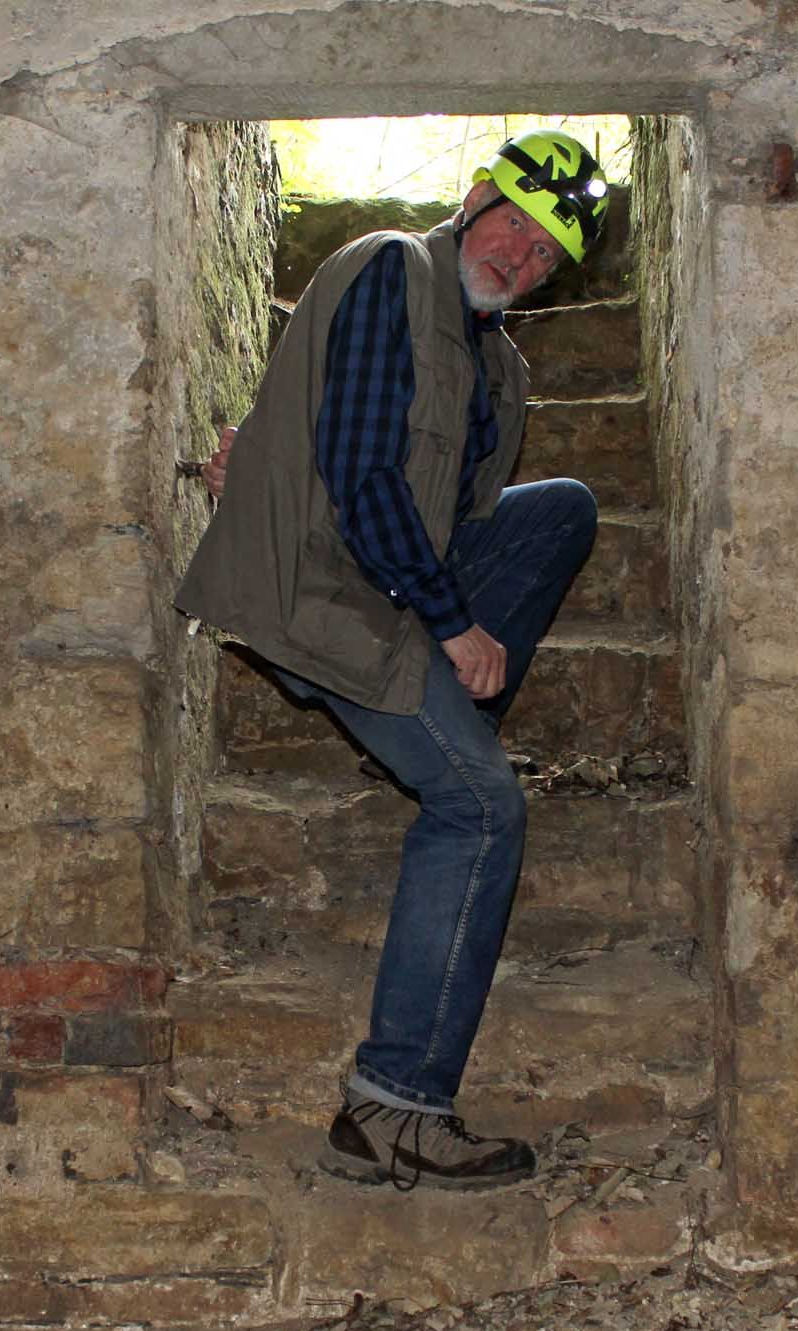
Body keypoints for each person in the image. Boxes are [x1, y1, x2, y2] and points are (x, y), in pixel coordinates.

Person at [175, 129, 610, 1191]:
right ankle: (393, 1108)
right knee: (481, 807)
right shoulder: (391, 269)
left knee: (560, 508)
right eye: (516, 225)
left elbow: (442, 510)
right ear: (475, 195)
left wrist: (449, 619)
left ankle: (442, 723)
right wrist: (455, 628)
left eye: (545, 255)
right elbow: (366, 474)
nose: (521, 257)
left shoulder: (498, 367)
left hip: (391, 589)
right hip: (321, 597)